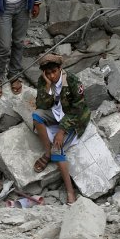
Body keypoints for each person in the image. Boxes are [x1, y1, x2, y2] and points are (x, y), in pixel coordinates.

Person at [31, 53, 89, 204]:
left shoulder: (72, 81)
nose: (51, 76)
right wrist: (48, 88)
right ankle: (47, 151)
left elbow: (78, 109)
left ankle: (70, 191)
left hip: (73, 118)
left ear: (60, 69)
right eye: (48, 73)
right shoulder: (43, 81)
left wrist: (61, 131)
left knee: (58, 148)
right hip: (56, 113)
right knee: (36, 115)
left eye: (54, 72)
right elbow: (41, 106)